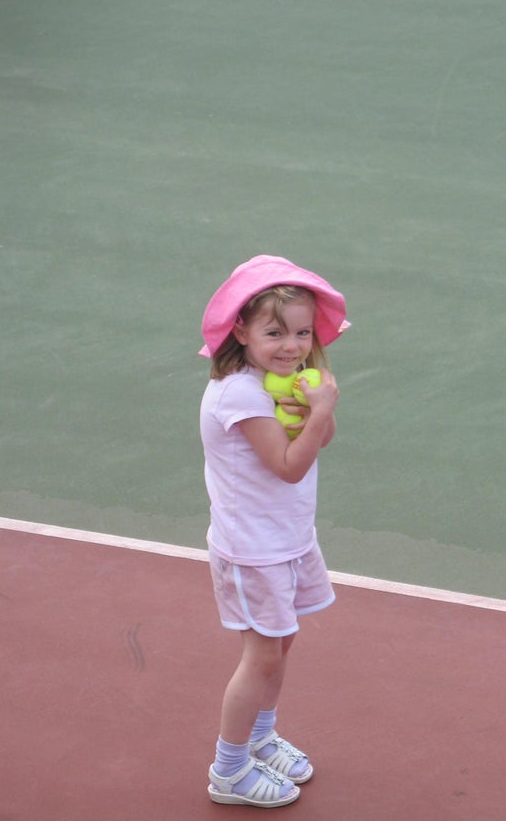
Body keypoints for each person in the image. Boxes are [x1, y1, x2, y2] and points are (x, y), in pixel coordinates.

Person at [198, 255, 350, 808]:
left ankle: (260, 737)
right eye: (274, 332)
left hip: (288, 539)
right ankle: (230, 769)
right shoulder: (241, 394)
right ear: (240, 329)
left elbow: (322, 440)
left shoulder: (281, 381)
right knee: (261, 655)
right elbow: (289, 464)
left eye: (302, 332)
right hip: (252, 551)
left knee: (282, 642)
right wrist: (319, 413)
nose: (292, 345)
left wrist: (319, 408)